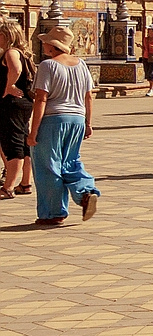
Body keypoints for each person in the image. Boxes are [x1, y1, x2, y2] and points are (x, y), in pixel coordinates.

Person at [28, 27, 98, 226]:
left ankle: (53, 212)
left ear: (53, 45)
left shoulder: (47, 65)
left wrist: (33, 132)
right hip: (76, 119)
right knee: (70, 161)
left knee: (48, 165)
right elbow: (88, 96)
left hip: (53, 120)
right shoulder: (81, 64)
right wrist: (88, 123)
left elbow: (41, 98)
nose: (43, 44)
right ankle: (85, 193)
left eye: (46, 41)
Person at [0, 19, 34, 200]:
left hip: (12, 104)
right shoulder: (24, 53)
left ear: (6, 36)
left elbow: (15, 68)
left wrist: (9, 86)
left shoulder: (11, 52)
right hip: (24, 103)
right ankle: (25, 183)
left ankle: (8, 187)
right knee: (23, 140)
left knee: (13, 144)